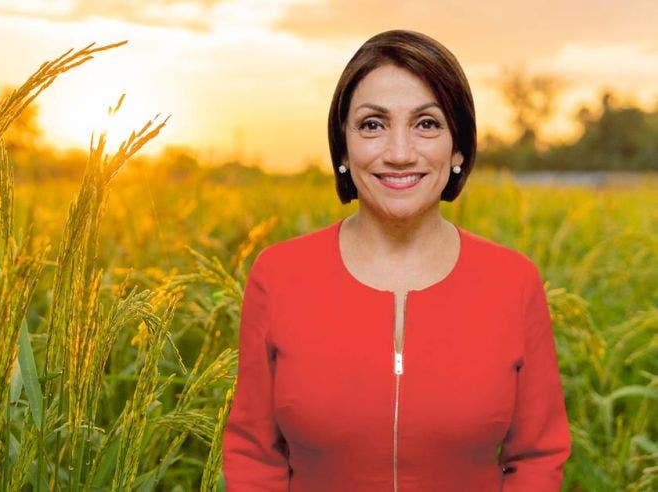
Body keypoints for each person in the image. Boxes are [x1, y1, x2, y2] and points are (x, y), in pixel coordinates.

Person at [221, 30, 571, 491]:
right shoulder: (278, 275)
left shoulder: (514, 282)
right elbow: (252, 454)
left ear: (459, 149)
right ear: (343, 148)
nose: (400, 153)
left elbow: (538, 457)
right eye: (372, 125)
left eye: (426, 124)